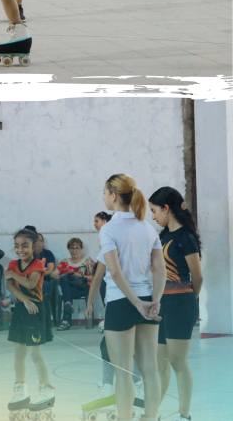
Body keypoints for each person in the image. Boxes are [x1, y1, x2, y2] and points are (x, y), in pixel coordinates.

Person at [85, 174, 166, 421]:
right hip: (146, 301)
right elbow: (160, 269)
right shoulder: (147, 227)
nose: (102, 196)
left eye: (103, 192)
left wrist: (137, 303)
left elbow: (116, 273)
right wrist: (154, 301)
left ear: (113, 195)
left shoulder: (109, 229)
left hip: (122, 304)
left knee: (124, 372)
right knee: (150, 370)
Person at [148, 187, 202, 421]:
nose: (153, 216)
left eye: (154, 211)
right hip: (163, 304)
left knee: (178, 361)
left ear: (166, 209)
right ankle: (153, 413)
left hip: (181, 302)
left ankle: (184, 415)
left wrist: (188, 300)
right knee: (160, 363)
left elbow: (197, 276)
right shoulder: (162, 237)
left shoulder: (186, 238)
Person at [85, 211, 145, 407]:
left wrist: (90, 303)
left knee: (113, 347)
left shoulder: (112, 243)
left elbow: (101, 276)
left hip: (121, 301)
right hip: (140, 300)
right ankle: (122, 386)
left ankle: (125, 385)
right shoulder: (140, 239)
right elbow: (98, 276)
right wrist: (89, 303)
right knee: (124, 348)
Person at [5, 227, 56, 416]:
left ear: (34, 246)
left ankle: (46, 387)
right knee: (19, 353)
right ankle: (21, 389)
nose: (20, 250)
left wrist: (13, 276)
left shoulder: (38, 264)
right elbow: (10, 285)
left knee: (35, 353)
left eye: (25, 246)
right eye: (17, 246)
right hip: (21, 309)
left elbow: (29, 283)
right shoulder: (12, 263)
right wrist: (24, 300)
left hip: (35, 311)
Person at [56, 237, 94, 330]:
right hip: (70, 290)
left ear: (81, 249)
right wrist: (56, 275)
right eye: (72, 248)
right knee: (63, 279)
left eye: (77, 248)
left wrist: (81, 276)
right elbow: (55, 272)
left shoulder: (88, 261)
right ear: (69, 249)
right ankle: (68, 304)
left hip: (84, 287)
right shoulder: (64, 262)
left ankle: (65, 321)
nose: (74, 250)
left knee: (66, 294)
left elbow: (94, 277)